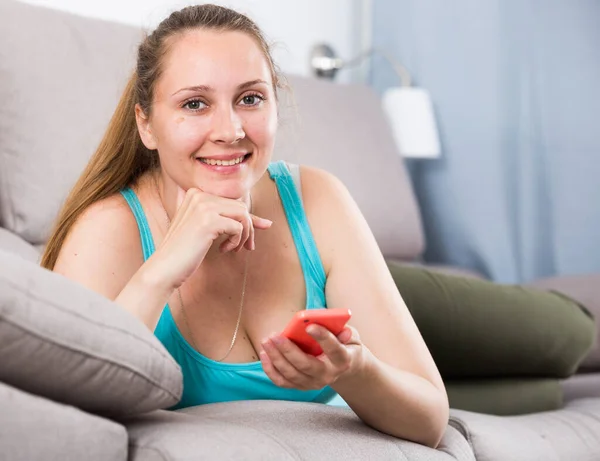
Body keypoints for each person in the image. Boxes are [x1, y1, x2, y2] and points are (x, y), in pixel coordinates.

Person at [41, 4, 449, 447]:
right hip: (364, 278)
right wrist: (161, 272)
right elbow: (63, 420)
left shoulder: (319, 199)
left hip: (399, 281)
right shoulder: (105, 232)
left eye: (250, 99)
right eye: (195, 104)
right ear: (147, 125)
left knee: (535, 334)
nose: (231, 130)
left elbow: (429, 418)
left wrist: (354, 369)